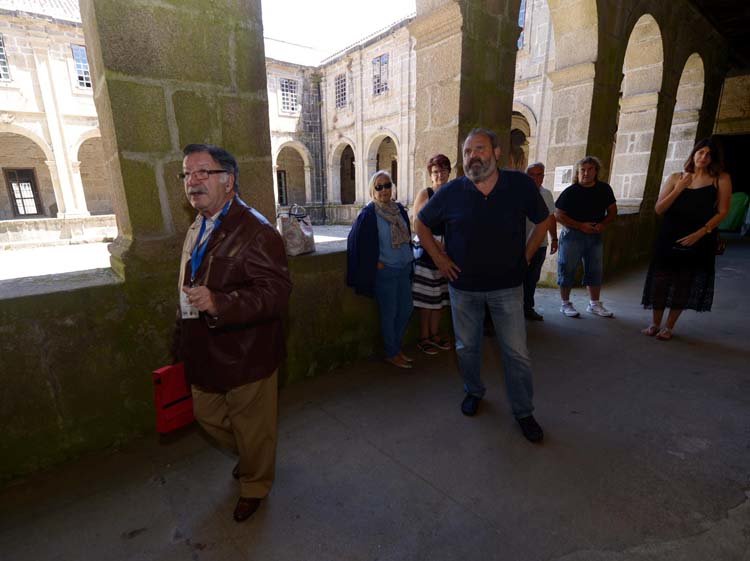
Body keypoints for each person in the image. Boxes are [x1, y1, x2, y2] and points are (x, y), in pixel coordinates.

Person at [173, 144, 292, 522]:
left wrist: (220, 302)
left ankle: (255, 483)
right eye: (187, 174)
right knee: (207, 414)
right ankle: (252, 454)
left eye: (202, 172)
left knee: (253, 425)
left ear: (229, 180)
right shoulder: (201, 223)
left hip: (247, 351)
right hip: (205, 347)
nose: (193, 181)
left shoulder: (256, 230)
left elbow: (276, 293)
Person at [416, 128, 551, 443]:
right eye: (467, 152)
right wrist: (439, 260)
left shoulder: (519, 185)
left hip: (507, 287)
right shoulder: (451, 192)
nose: (472, 156)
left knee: (516, 353)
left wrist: (527, 255)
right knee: (467, 348)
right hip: (463, 288)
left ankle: (523, 411)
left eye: (479, 148)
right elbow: (421, 223)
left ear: (497, 152)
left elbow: (544, 219)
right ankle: (474, 390)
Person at [641, 138, 731, 340]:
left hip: (699, 238)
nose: (704, 157)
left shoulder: (721, 179)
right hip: (669, 235)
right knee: (661, 280)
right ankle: (655, 323)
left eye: (709, 154)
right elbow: (659, 209)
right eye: (701, 152)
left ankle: (669, 327)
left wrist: (701, 233)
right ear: (694, 153)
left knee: (684, 282)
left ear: (713, 158)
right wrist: (680, 188)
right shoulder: (676, 177)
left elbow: (723, 211)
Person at [347, 171, 414, 369]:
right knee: (390, 313)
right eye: (379, 187)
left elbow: (408, 235)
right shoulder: (369, 214)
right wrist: (375, 263)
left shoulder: (399, 209)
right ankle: (392, 353)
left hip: (404, 267)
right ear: (372, 191)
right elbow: (355, 241)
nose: (384, 190)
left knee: (406, 309)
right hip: (386, 272)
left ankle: (395, 348)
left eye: (387, 185)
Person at [555, 156, 617, 318]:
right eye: (582, 170)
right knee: (567, 268)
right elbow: (558, 215)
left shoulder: (604, 189)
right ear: (578, 172)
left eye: (590, 169)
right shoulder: (571, 191)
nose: (586, 173)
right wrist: (580, 225)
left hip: (595, 234)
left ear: (596, 172)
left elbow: (612, 211)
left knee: (595, 269)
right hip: (572, 235)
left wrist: (603, 224)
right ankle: (565, 304)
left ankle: (594, 304)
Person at [412, 154, 452, 355]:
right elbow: (417, 224)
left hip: (447, 256)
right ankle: (424, 337)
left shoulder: (454, 193)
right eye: (435, 172)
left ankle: (435, 335)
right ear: (430, 174)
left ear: (448, 172)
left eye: (443, 170)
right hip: (428, 254)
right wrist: (436, 244)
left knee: (440, 300)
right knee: (427, 300)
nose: (439, 175)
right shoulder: (425, 193)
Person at [523, 162, 558, 320]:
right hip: (520, 243)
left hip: (540, 244)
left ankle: (527, 308)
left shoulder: (547, 194)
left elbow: (551, 218)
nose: (536, 178)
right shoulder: (518, 193)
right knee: (516, 279)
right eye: (532, 174)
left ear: (543, 176)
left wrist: (554, 238)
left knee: (532, 278)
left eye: (539, 175)